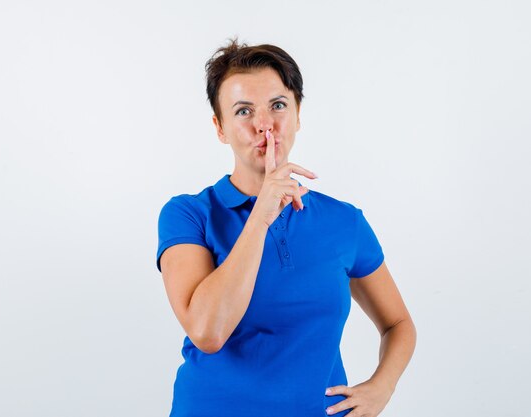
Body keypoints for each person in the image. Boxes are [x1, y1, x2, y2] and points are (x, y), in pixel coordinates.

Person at [155, 38, 416, 417]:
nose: (265, 126)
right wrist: (261, 214)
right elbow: (208, 332)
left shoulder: (344, 221)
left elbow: (398, 323)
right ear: (220, 127)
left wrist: (382, 387)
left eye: (278, 105)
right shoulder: (189, 214)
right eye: (243, 111)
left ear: (298, 114)